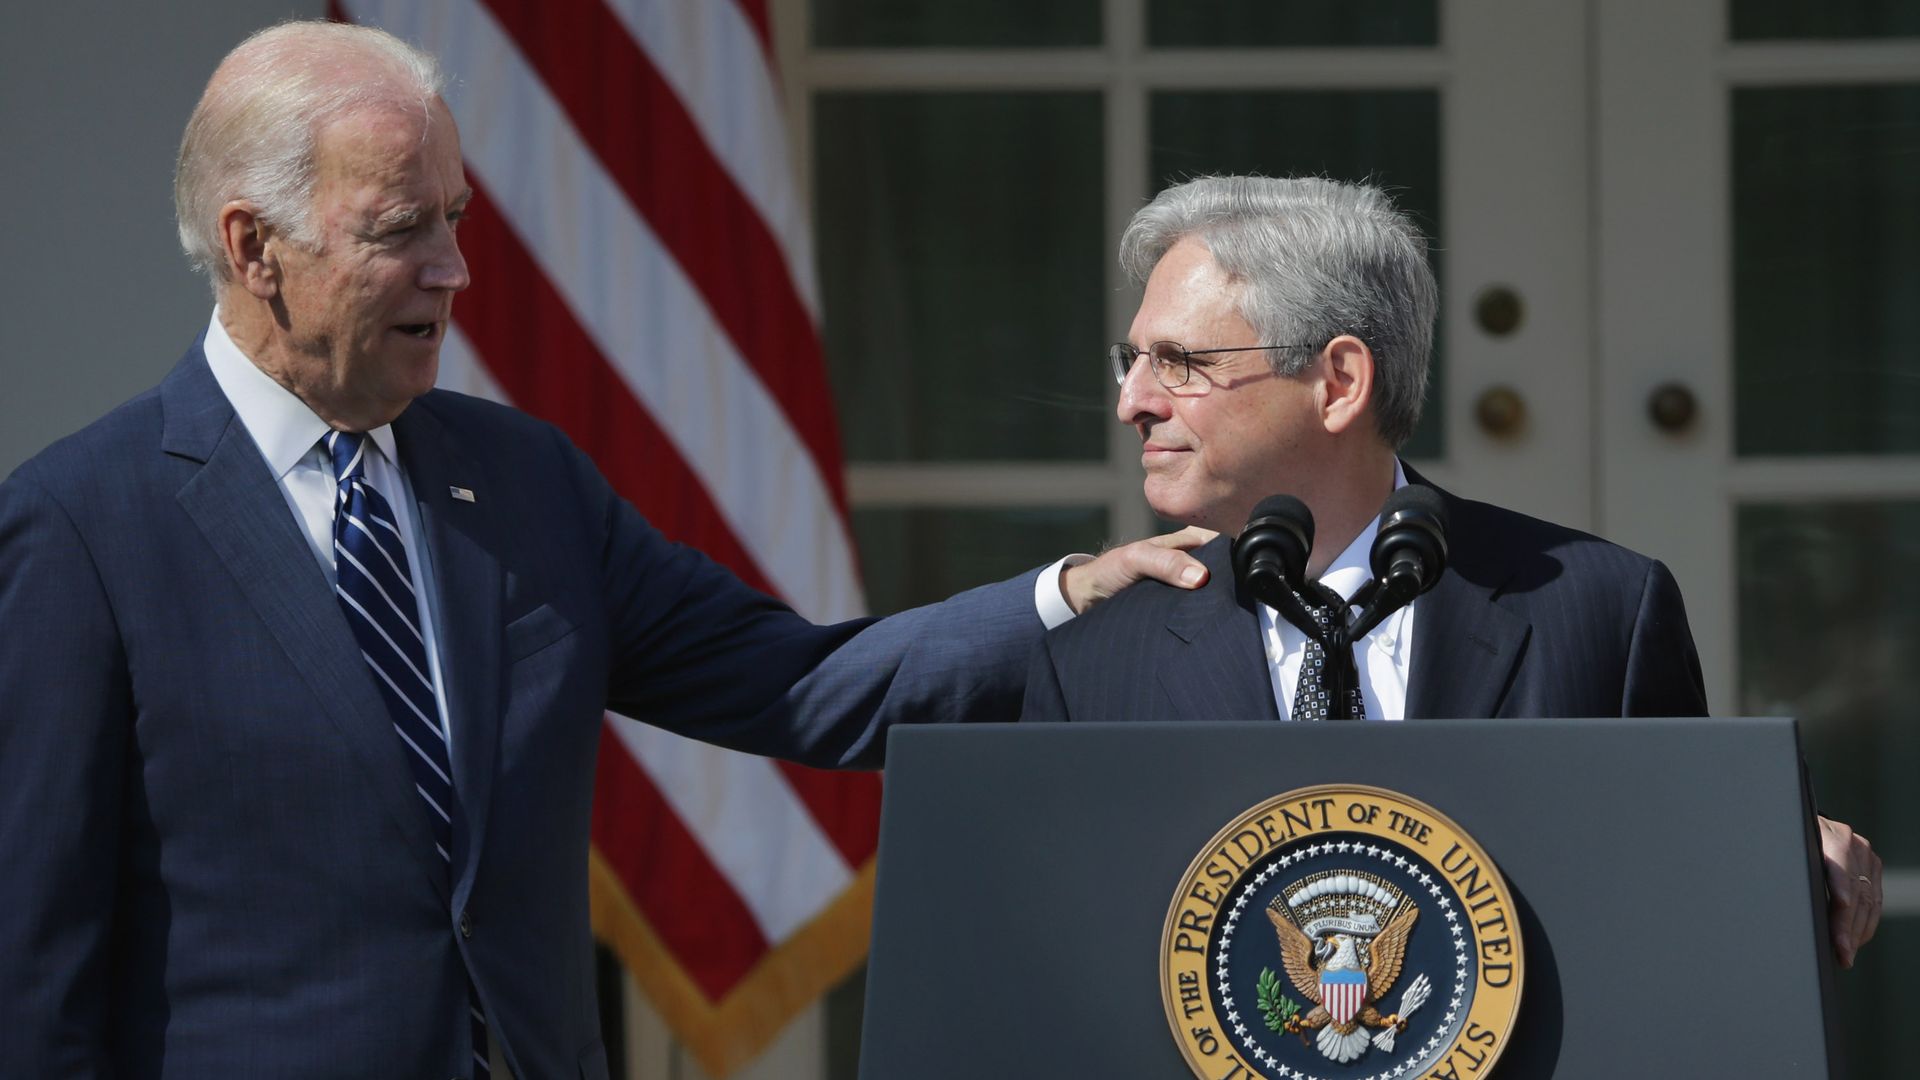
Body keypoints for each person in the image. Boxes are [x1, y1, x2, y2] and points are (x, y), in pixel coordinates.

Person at [0, 22, 1207, 1079]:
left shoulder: (524, 484)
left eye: (457, 218)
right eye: (399, 230)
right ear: (253, 247)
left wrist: (1068, 596)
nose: (455, 269)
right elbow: (34, 969)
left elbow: (799, 684)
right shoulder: (83, 527)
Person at [1020, 174, 1883, 967]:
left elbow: (1670, 888)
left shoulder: (1598, 609)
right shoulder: (1094, 655)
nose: (1134, 400)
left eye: (1179, 362)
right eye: (1131, 361)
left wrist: (1770, 852)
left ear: (1339, 382)